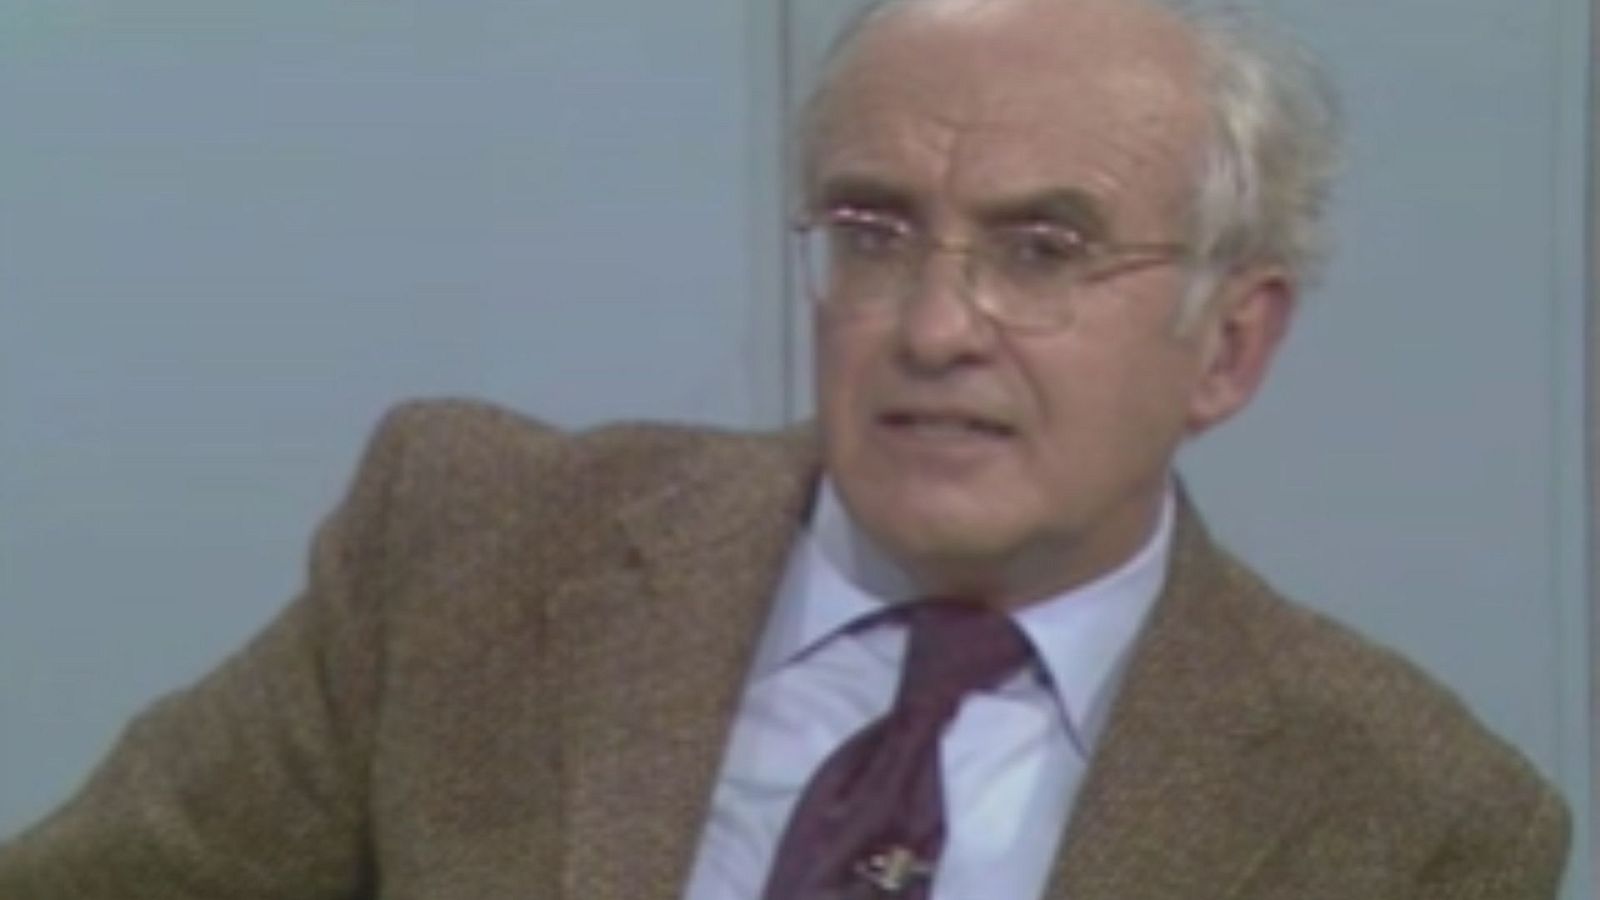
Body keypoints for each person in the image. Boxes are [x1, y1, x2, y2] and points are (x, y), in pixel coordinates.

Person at [0, 0, 1572, 897]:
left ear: (1228, 344)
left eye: (1042, 250)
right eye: (874, 230)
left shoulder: (1414, 818)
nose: (934, 326)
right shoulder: (469, 550)